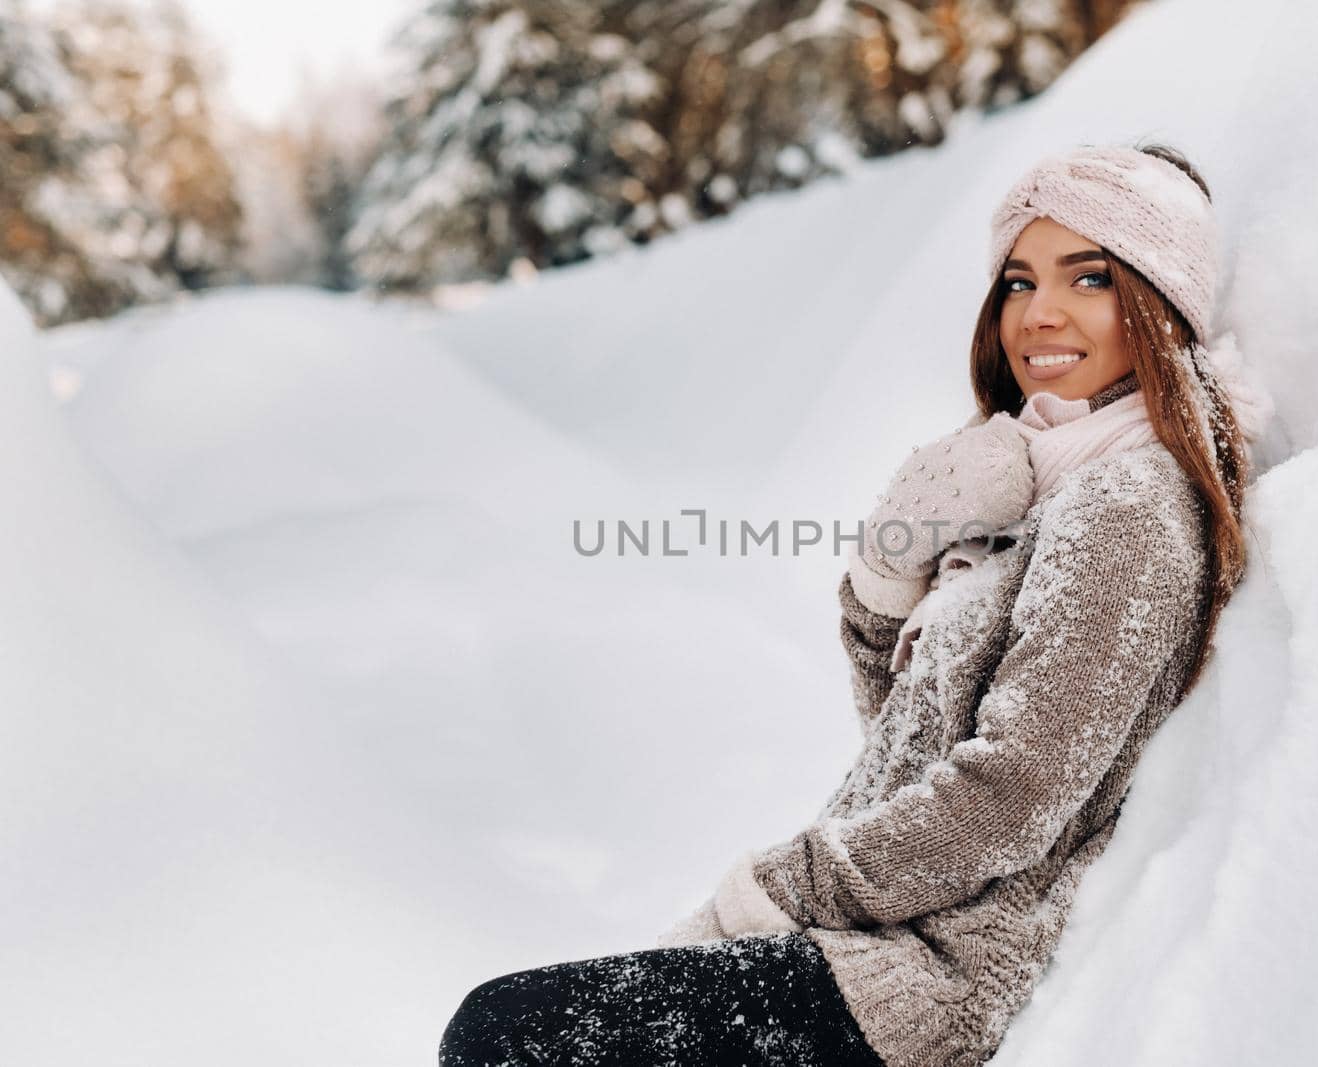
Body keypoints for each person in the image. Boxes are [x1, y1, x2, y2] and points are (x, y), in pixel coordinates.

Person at [437, 142, 1271, 1067]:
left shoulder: (1126, 507)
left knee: (503, 1035)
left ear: (1158, 303)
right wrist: (891, 570)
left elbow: (1013, 798)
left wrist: (783, 888)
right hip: (867, 941)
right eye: (1017, 282)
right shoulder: (1033, 479)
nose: (1041, 315)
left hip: (928, 978)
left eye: (1090, 278)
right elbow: (902, 743)